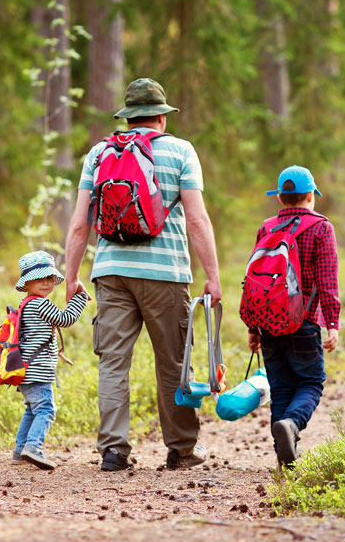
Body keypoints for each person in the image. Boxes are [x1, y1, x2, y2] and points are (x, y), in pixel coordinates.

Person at [64, 77, 221, 472]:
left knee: (113, 362)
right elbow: (197, 220)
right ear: (161, 119)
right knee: (172, 362)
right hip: (165, 274)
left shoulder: (99, 153)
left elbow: (80, 224)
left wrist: (72, 277)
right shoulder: (181, 151)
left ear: (128, 117)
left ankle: (114, 451)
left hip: (111, 272)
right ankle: (182, 449)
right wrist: (213, 276)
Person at [247, 166, 340, 467]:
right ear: (311, 196)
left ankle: (284, 457)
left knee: (282, 388)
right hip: (305, 322)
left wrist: (253, 327)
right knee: (312, 383)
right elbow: (327, 280)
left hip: (268, 323)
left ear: (280, 199)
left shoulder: (266, 227)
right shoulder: (321, 227)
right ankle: (293, 425)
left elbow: (255, 281)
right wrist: (333, 324)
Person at [11, 251, 89, 470]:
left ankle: (20, 450)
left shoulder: (25, 303)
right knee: (46, 409)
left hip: (26, 371)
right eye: (39, 279)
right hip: (38, 371)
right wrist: (80, 297)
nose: (45, 283)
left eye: (49, 278)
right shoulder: (39, 304)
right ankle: (33, 447)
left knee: (32, 409)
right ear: (27, 282)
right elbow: (66, 319)